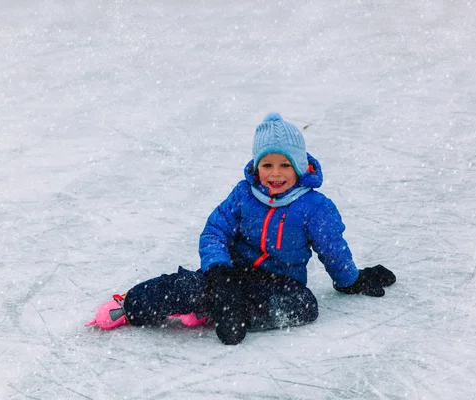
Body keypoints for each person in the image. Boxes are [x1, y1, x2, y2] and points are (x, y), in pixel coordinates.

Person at [86, 112, 396, 345]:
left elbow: (332, 248)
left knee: (305, 306)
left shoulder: (316, 207)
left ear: (299, 166)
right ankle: (128, 304)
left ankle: (222, 310)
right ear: (257, 165)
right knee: (192, 287)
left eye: (285, 165)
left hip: (278, 282)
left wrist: (350, 280)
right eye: (267, 165)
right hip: (230, 272)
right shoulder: (244, 194)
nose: (275, 174)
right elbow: (214, 232)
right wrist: (219, 273)